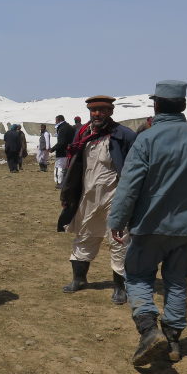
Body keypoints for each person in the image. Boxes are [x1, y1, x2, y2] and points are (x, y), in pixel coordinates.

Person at [108, 80, 187, 366]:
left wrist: (118, 220)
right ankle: (173, 339)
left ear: (156, 105)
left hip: (148, 225)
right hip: (186, 228)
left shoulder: (147, 139)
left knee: (138, 277)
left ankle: (149, 330)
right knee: (177, 282)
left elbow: (129, 185)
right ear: (184, 105)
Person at [59, 96, 137, 305]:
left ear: (110, 112)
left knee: (119, 241)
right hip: (88, 197)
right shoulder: (82, 134)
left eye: (102, 110)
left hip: (115, 198)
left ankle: (120, 288)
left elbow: (135, 170)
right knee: (84, 236)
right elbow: (72, 166)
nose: (97, 114)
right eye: (94, 110)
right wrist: (67, 193)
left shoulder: (124, 135)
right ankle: (79, 279)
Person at [50, 115, 75, 189]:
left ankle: (60, 182)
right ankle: (66, 181)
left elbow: (61, 142)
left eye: (56, 120)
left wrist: (52, 149)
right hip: (69, 150)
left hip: (61, 151)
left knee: (59, 166)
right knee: (67, 167)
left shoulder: (62, 128)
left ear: (60, 120)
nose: (55, 122)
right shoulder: (70, 127)